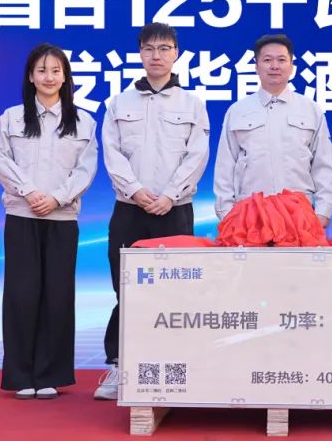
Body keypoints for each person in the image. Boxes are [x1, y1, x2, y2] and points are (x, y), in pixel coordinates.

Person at [94, 23, 210, 400]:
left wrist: (170, 195)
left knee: (175, 291)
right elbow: (111, 153)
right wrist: (136, 191)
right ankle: (119, 366)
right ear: (140, 53)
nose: (156, 56)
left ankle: (174, 367)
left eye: (164, 48)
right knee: (126, 289)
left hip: (176, 211)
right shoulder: (119, 103)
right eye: (149, 49)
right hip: (130, 210)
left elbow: (197, 155)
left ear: (176, 53)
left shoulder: (192, 103)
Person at [0, 44, 98, 400]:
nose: (49, 77)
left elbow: (86, 169)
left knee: (58, 295)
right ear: (31, 77)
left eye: (55, 71)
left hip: (62, 217)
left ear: (65, 77)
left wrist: (57, 198)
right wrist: (30, 191)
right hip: (22, 215)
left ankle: (50, 373)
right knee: (21, 295)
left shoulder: (83, 121)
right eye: (41, 70)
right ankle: (21, 374)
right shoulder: (11, 118)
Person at [214, 34, 332, 226]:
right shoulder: (238, 111)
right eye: (267, 60)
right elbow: (225, 167)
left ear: (291, 66)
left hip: (299, 216)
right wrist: (228, 215)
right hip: (250, 215)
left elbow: (324, 165)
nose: (274, 66)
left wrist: (323, 212)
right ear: (256, 66)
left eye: (281, 60)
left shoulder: (310, 109)